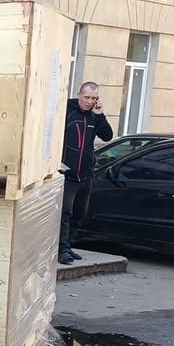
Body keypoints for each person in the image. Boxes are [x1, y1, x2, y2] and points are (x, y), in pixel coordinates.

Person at [60, 82, 114, 265]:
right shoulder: (68, 111)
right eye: (86, 97)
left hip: (86, 174)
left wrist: (100, 115)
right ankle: (61, 250)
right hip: (68, 174)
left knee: (79, 213)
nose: (89, 102)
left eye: (93, 98)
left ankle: (69, 245)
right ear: (79, 95)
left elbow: (107, 136)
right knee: (65, 213)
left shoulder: (94, 117)